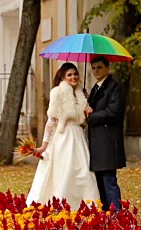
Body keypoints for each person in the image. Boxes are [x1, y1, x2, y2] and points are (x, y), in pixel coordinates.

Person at [26, 62, 100, 209]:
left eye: (75, 74)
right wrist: (44, 145)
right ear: (63, 77)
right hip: (64, 137)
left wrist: (88, 108)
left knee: (83, 171)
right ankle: (62, 203)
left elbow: (83, 119)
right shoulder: (57, 93)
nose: (74, 77)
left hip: (79, 136)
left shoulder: (82, 94)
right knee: (65, 171)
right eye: (69, 75)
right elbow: (51, 121)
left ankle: (86, 204)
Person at [84, 56, 126, 212]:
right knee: (100, 181)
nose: (96, 71)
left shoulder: (114, 87)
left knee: (109, 180)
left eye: (99, 67)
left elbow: (114, 111)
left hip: (108, 141)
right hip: (96, 142)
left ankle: (117, 213)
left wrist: (92, 116)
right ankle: (107, 212)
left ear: (107, 68)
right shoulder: (95, 88)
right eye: (93, 68)